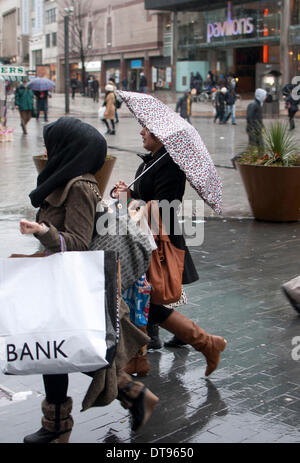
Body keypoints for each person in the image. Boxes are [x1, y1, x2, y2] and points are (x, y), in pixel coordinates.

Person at [19, 117, 158, 443]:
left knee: (60, 351)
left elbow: (79, 242)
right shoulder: (60, 180)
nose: (45, 150)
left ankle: (125, 397)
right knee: (53, 352)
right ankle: (61, 424)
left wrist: (43, 231)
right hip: (56, 279)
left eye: (51, 145)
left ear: (68, 148)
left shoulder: (80, 186)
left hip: (73, 284)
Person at [113, 127, 227, 376]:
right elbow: (144, 197)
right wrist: (128, 194)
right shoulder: (152, 161)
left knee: (147, 299)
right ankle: (145, 356)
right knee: (143, 299)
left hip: (158, 241)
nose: (141, 132)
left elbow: (164, 208)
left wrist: (128, 201)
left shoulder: (170, 165)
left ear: (160, 135)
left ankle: (204, 343)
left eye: (147, 129)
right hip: (144, 237)